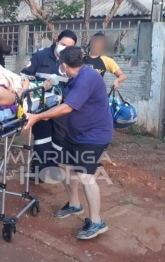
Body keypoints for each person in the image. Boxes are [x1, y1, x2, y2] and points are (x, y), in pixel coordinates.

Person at [25, 47, 114, 240]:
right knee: (64, 165)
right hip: (76, 134)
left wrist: (38, 116)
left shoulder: (86, 79)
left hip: (94, 135)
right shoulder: (77, 75)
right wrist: (49, 111)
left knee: (85, 175)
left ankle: (97, 221)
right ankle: (74, 204)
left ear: (64, 65)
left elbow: (67, 107)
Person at [20, 30, 77, 180]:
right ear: (57, 41)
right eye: (62, 44)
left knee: (60, 138)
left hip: (61, 108)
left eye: (69, 46)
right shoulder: (41, 56)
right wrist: (34, 86)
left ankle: (53, 166)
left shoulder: (72, 61)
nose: (64, 48)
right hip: (41, 106)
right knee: (42, 138)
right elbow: (25, 76)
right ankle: (39, 170)